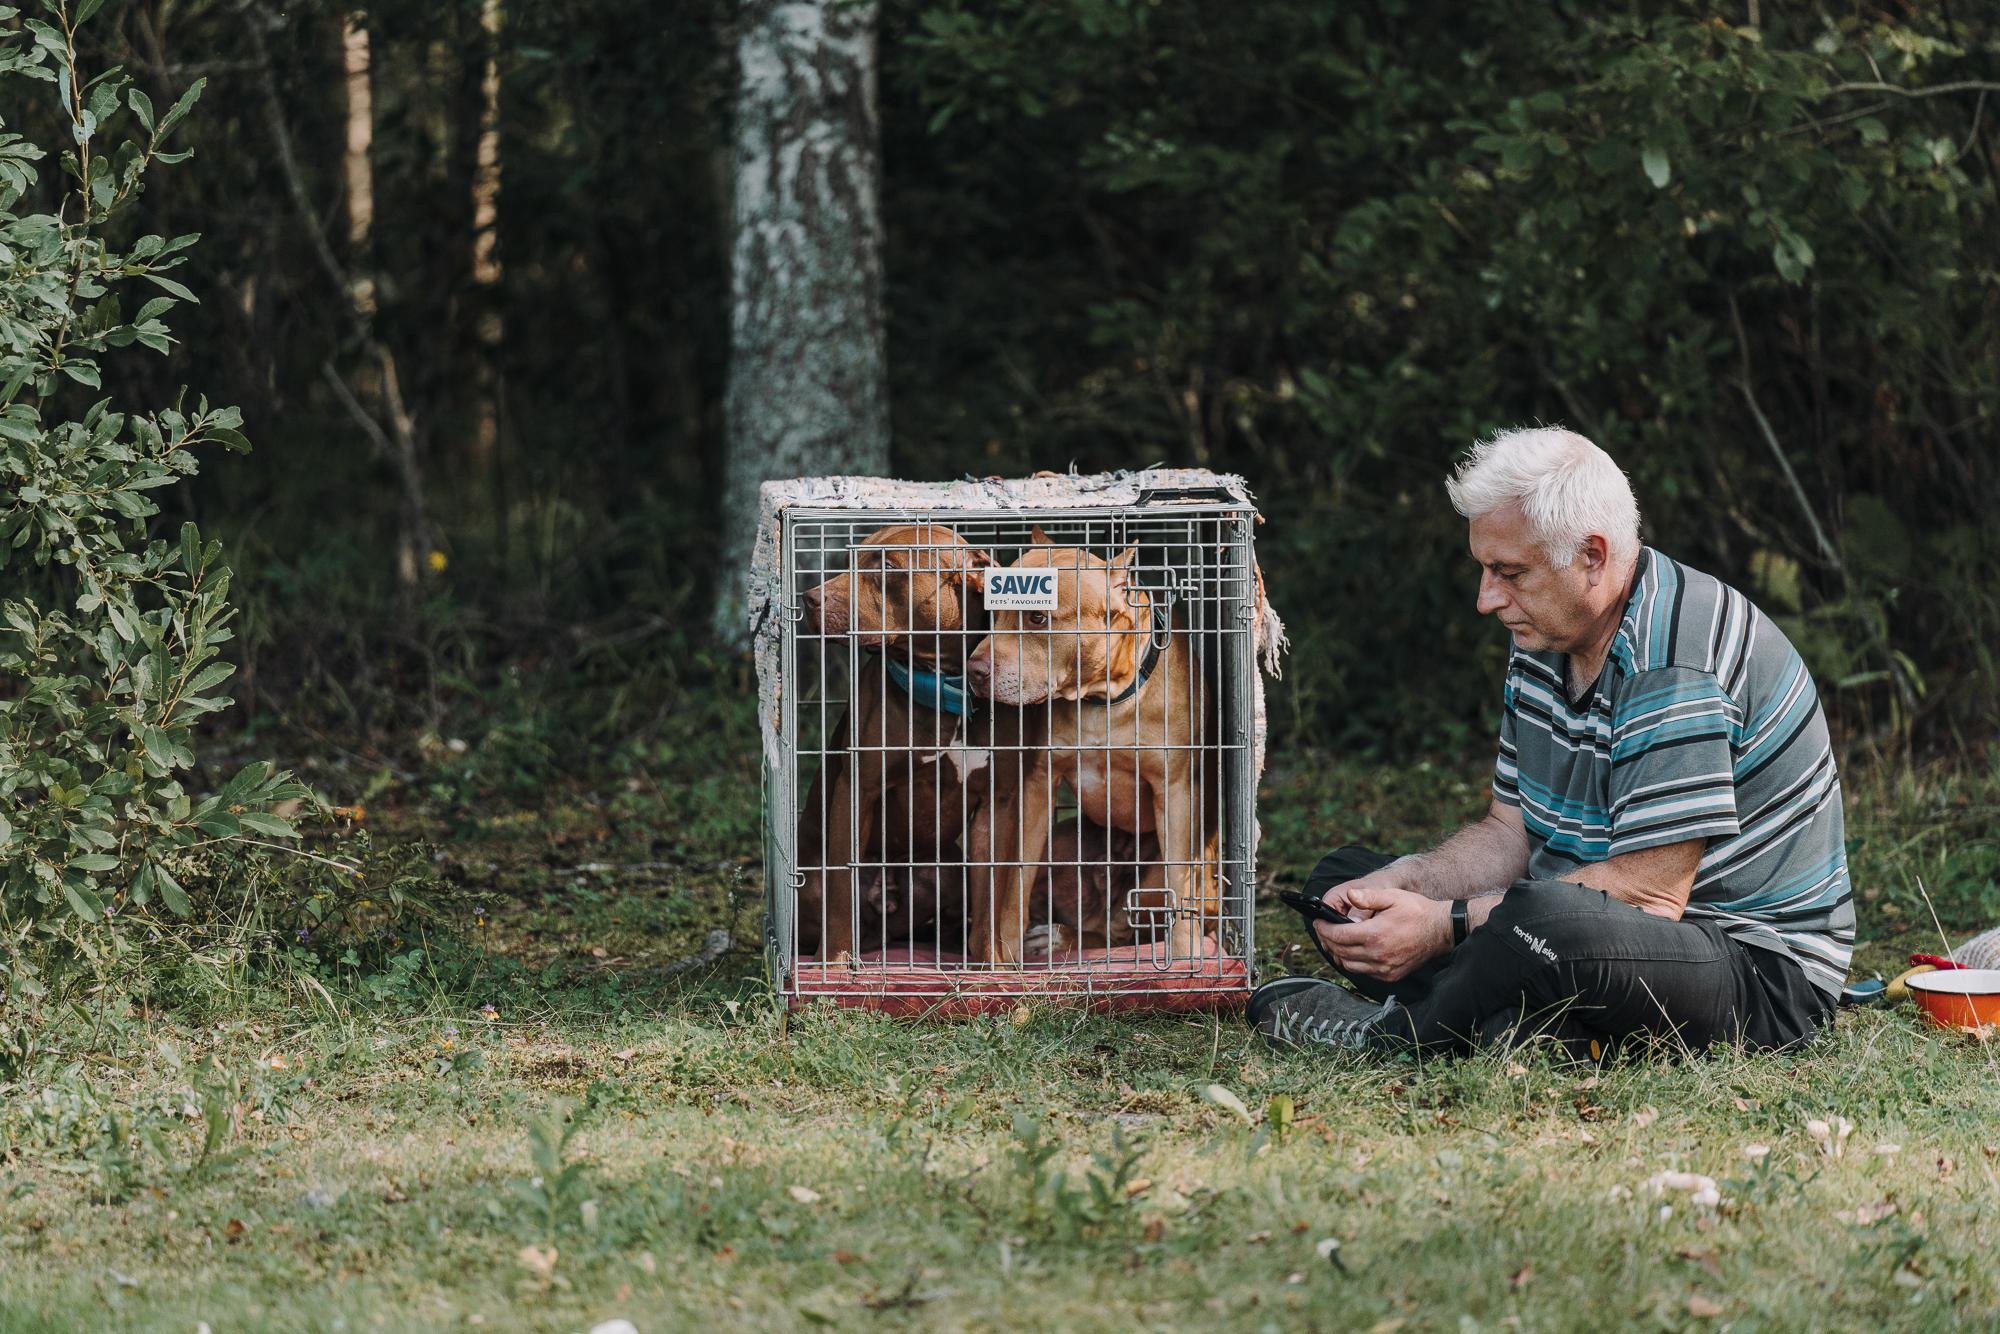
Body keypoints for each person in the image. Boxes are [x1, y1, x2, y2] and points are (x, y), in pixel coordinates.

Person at [1251, 428, 1852, 1058]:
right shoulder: (1548, 634)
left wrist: (1445, 925)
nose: (1487, 599)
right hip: (1575, 928)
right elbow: (1510, 834)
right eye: (1484, 569)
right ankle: (1525, 1026)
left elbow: (1650, 896)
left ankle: (1396, 1037)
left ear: (1592, 555)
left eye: (1510, 572)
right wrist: (1413, 882)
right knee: (1343, 882)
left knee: (1534, 922)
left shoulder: (1671, 659)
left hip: (1755, 972)